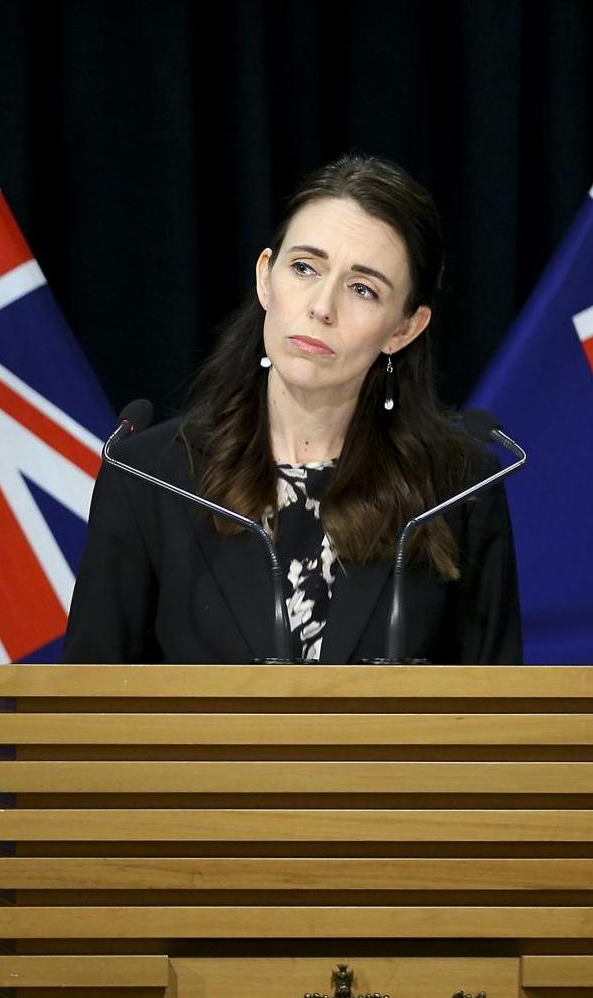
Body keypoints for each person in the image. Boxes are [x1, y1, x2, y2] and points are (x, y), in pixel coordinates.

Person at [64, 154, 520, 664]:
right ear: (266, 278)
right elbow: (87, 715)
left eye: (363, 289)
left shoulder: (459, 490)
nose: (322, 307)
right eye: (305, 268)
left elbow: (496, 720)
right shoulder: (149, 478)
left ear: (404, 329)